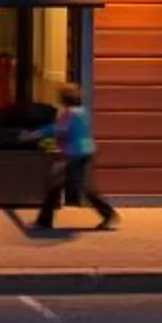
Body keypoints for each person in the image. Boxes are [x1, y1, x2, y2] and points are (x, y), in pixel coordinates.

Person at [34, 84, 118, 231]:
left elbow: (58, 130)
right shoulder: (82, 111)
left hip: (74, 155)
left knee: (81, 187)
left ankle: (109, 214)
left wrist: (35, 133)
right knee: (58, 185)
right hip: (84, 152)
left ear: (64, 99)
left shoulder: (69, 113)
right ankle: (44, 220)